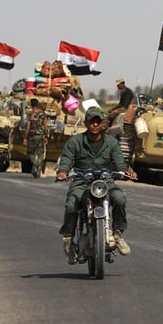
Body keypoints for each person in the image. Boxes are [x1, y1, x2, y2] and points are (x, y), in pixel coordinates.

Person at [56, 107, 138, 261]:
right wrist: (63, 171)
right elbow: (67, 159)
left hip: (105, 181)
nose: (95, 124)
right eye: (92, 121)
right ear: (86, 123)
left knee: (120, 199)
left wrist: (125, 171)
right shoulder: (75, 141)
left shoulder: (112, 142)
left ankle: (118, 234)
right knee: (71, 205)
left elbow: (119, 161)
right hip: (81, 180)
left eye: (98, 121)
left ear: (103, 124)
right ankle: (68, 239)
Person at [23, 98, 49, 178]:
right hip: (40, 136)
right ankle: (39, 165)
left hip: (32, 136)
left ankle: (35, 163)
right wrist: (46, 136)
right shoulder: (43, 115)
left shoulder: (31, 114)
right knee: (40, 152)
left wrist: (25, 137)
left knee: (31, 153)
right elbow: (45, 126)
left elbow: (28, 126)